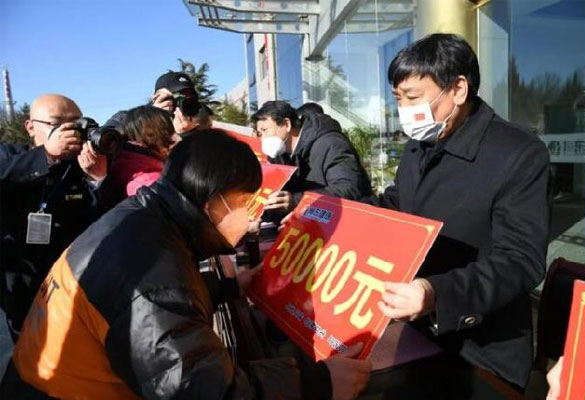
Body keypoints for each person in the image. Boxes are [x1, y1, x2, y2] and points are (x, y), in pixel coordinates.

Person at [2, 130, 371, 399]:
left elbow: (142, 313)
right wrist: (318, 383)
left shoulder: (142, 220)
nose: (252, 214)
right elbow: (198, 390)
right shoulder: (151, 265)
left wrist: (228, 287)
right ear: (212, 201)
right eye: (246, 200)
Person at [369, 33, 550, 393]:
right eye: (398, 99)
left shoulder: (518, 154)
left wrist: (437, 293)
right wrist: (335, 214)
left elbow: (520, 260)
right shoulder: (418, 147)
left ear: (458, 89)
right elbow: (397, 205)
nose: (405, 110)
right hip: (412, 331)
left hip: (481, 350)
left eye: (414, 98)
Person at [0, 94, 107, 340]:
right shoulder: (11, 155)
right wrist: (47, 155)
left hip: (74, 271)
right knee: (31, 343)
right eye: (57, 124)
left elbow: (101, 216)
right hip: (23, 273)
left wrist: (97, 178)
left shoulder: (81, 162)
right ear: (30, 127)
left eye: (75, 123)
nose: (69, 131)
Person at [251, 101, 372, 215]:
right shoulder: (282, 156)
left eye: (265, 130)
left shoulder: (330, 144)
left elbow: (348, 189)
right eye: (260, 133)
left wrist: (296, 201)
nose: (262, 138)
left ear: (286, 125)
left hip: (351, 222)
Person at [101, 105, 177, 210]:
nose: (176, 138)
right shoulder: (152, 185)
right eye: (170, 132)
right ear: (152, 135)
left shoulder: (123, 166)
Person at [151, 71, 211, 135]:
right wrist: (155, 118)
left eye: (189, 101)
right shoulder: (145, 133)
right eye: (174, 100)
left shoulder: (210, 131)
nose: (180, 107)